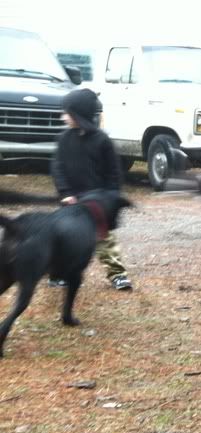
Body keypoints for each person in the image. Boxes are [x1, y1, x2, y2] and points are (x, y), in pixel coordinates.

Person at [51, 87, 133, 291]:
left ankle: (117, 274)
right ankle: (58, 274)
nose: (63, 118)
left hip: (97, 204)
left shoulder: (102, 141)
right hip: (71, 202)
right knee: (64, 239)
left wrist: (110, 198)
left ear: (78, 114)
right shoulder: (64, 140)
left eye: (67, 113)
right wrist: (65, 193)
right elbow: (57, 167)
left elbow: (113, 174)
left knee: (105, 240)